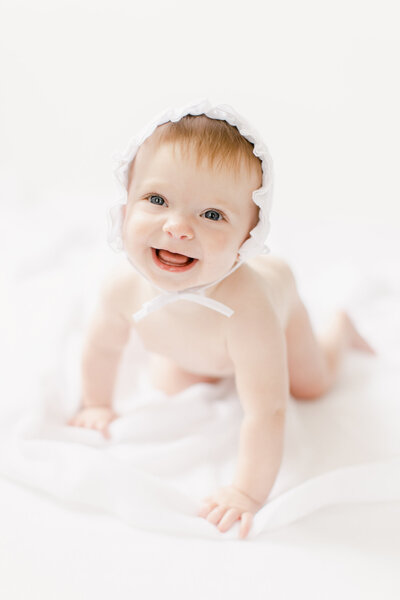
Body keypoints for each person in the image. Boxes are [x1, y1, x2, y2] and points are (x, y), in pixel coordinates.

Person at [68, 100, 375, 539]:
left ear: (249, 238)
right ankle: (206, 364)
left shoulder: (250, 311)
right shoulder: (122, 287)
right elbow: (101, 347)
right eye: (156, 199)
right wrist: (96, 402)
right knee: (176, 384)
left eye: (212, 215)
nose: (177, 228)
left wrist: (246, 492)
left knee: (310, 386)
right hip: (194, 347)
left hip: (278, 313)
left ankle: (339, 327)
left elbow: (266, 411)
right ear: (124, 202)